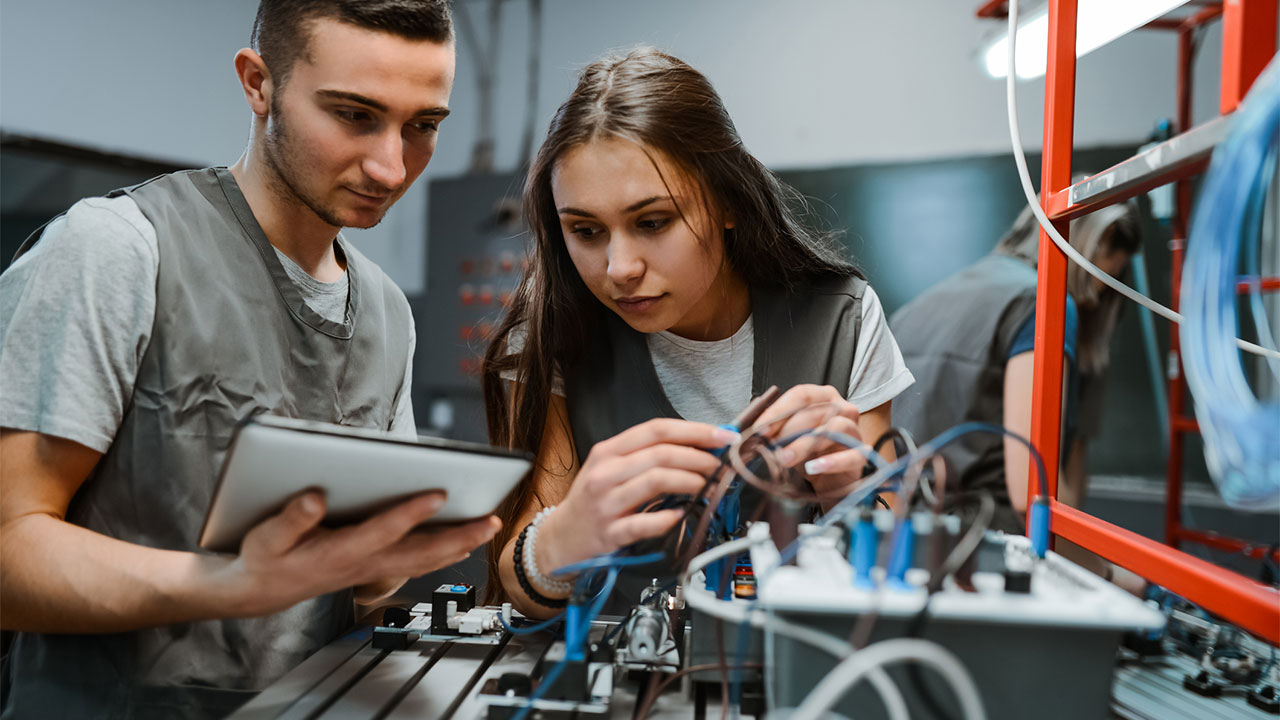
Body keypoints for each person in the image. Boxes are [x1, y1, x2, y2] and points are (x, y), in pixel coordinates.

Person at [0, 2, 500, 717]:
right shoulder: (117, 249)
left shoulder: (387, 311)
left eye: (422, 126)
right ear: (259, 83)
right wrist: (227, 582)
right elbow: (9, 549)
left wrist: (393, 559)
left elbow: (354, 592)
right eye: (355, 115)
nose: (391, 166)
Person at [480, 48, 915, 617]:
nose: (618, 268)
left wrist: (850, 487)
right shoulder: (553, 329)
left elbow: (892, 563)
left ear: (728, 201)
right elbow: (520, 588)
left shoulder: (844, 319)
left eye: (653, 222)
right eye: (585, 230)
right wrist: (561, 538)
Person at [889, 198, 1140, 533]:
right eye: (1100, 280)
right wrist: (1108, 573)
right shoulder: (1044, 303)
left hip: (899, 536)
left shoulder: (915, 307)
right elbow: (1031, 494)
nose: (1095, 299)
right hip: (987, 545)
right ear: (1089, 252)